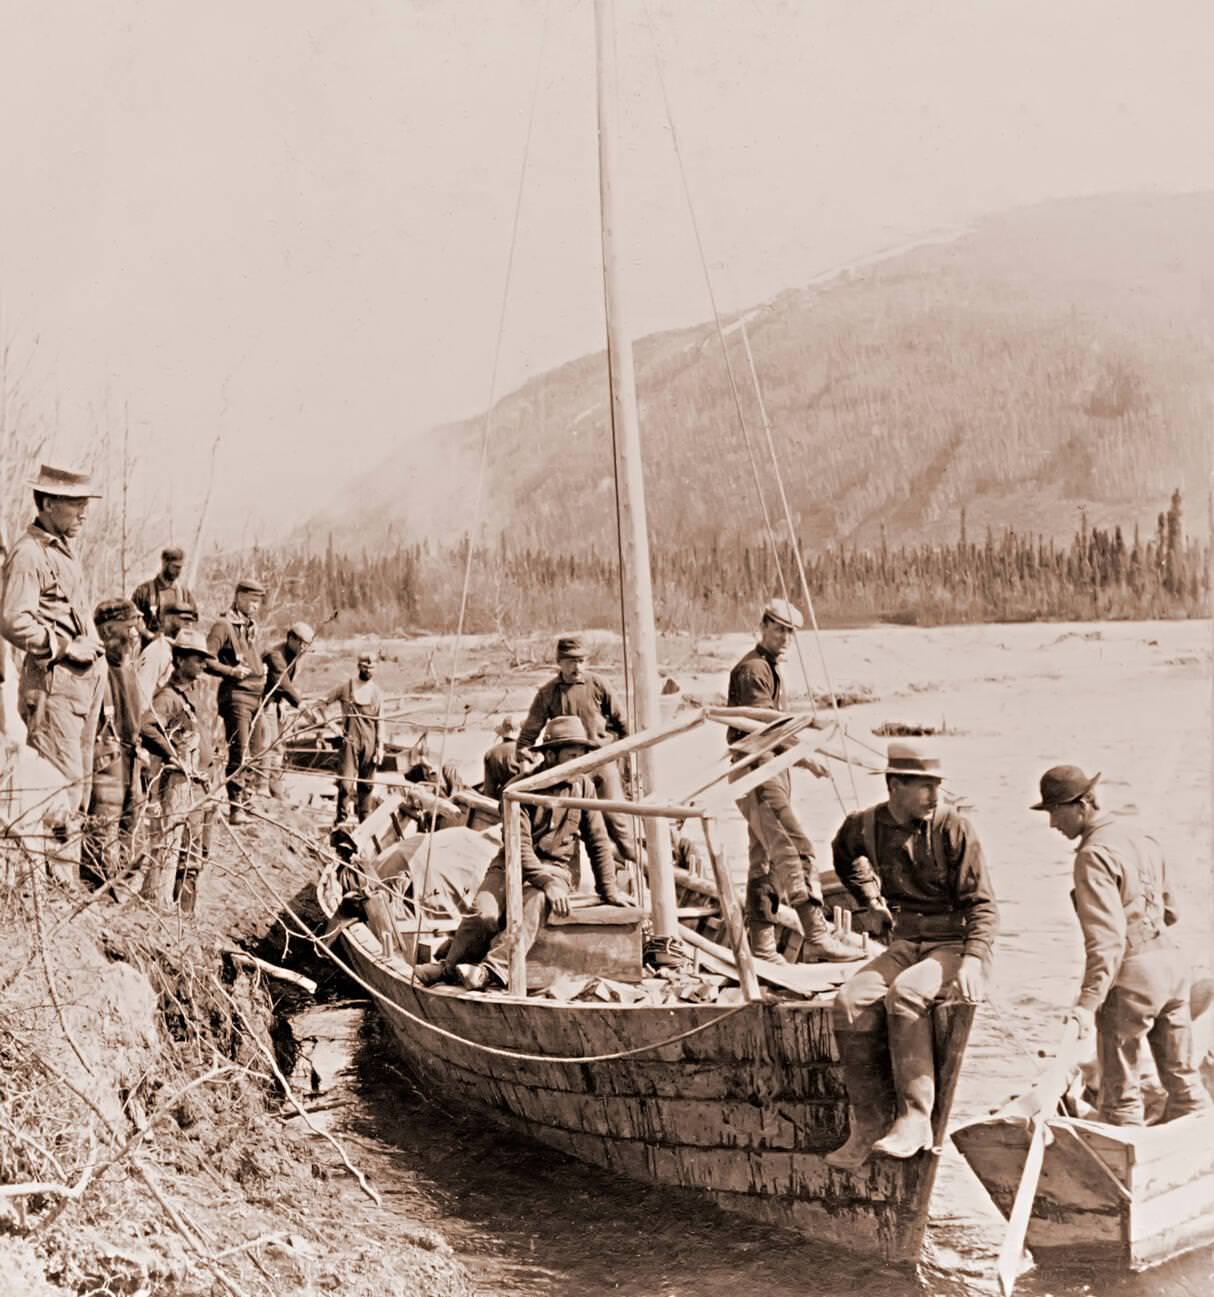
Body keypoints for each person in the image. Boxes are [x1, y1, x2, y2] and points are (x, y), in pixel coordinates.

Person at [825, 742, 998, 1169]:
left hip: (954, 944)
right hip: (905, 942)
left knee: (905, 994)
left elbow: (983, 906)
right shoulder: (863, 827)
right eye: (922, 788)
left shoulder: (954, 829)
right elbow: (844, 859)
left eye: (936, 786)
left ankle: (915, 1118)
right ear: (893, 785)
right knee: (849, 1001)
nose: (934, 797)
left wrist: (974, 959)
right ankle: (868, 1124)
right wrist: (869, 901)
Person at [1033, 765, 1210, 1126]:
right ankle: (1196, 1153)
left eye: (1054, 811)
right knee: (1183, 1083)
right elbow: (1171, 911)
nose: (1052, 823)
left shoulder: (1091, 856)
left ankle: (1122, 1168)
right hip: (1172, 968)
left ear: (1082, 805)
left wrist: (1086, 1004)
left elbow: (1107, 942)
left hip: (1132, 977)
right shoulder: (1142, 837)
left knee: (1121, 1097)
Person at [416, 716, 626, 991]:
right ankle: (449, 966)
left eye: (582, 756)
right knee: (485, 915)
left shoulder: (583, 787)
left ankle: (491, 970)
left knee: (534, 902)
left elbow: (597, 840)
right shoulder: (518, 789)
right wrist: (544, 880)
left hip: (557, 869)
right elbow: (519, 846)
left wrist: (608, 890)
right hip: (510, 864)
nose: (580, 763)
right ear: (550, 755)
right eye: (572, 756)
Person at [727, 598, 860, 964]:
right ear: (763, 626)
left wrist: (799, 761)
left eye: (790, 632)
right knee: (796, 848)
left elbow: (773, 730)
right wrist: (808, 755)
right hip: (758, 773)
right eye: (778, 629)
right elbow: (765, 726)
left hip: (769, 771)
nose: (785, 638)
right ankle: (817, 934)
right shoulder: (753, 671)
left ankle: (764, 948)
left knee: (765, 862)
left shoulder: (769, 668)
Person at [0, 464, 106, 876]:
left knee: (76, 783)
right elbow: (11, 620)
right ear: (47, 504)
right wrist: (63, 646)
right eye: (76, 505)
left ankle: (64, 879)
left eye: (86, 505)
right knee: (60, 786)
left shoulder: (61, 548)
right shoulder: (30, 553)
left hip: (80, 684)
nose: (84, 514)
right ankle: (56, 889)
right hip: (54, 681)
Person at [517, 636, 635, 863]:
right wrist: (525, 758)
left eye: (581, 661)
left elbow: (623, 724)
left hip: (600, 761)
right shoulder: (548, 693)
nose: (577, 667)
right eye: (571, 662)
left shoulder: (598, 684)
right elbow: (528, 736)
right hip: (567, 769)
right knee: (562, 824)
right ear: (559, 663)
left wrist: (624, 760)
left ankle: (640, 866)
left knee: (617, 823)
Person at [140, 629, 217, 913]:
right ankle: (182, 918)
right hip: (184, 791)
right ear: (181, 660)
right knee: (187, 858)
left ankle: (184, 914)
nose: (202, 665)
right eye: (197, 659)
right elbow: (147, 726)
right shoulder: (169, 697)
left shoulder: (188, 696)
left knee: (199, 853)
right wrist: (174, 756)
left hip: (201, 788)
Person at [84, 599, 148, 890]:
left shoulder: (129, 667)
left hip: (130, 758)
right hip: (106, 760)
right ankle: (96, 889)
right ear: (108, 630)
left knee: (129, 827)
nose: (135, 634)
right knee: (102, 828)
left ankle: (118, 892)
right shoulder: (94, 666)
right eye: (129, 627)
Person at [206, 578, 267, 824]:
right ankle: (235, 808)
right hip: (237, 696)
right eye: (252, 600)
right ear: (239, 597)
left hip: (255, 696)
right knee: (239, 752)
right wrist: (231, 672)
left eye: (258, 602)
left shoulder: (250, 626)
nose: (255, 606)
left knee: (256, 752)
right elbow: (206, 659)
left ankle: (247, 801)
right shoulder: (224, 625)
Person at [310, 652, 383, 826]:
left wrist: (380, 747)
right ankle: (341, 821)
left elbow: (381, 721)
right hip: (350, 741)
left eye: (371, 667)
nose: (368, 670)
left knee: (366, 786)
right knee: (346, 785)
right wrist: (332, 726)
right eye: (365, 667)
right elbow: (321, 704)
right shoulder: (346, 687)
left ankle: (364, 824)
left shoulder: (376, 692)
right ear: (358, 666)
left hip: (370, 743)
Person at [259, 622, 315, 799]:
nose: (304, 649)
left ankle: (275, 788)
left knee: (277, 745)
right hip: (261, 702)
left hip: (275, 702)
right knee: (266, 745)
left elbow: (287, 684)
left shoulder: (295, 656)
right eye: (301, 644)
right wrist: (300, 705)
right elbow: (282, 683)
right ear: (291, 638)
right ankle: (261, 787)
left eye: (307, 645)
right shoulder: (275, 654)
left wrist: (282, 703)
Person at [136, 596, 200, 713]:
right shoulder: (158, 652)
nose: (189, 626)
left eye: (190, 622)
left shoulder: (173, 651)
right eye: (184, 620)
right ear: (167, 621)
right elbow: (142, 698)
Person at [131, 546, 196, 636]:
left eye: (180, 568)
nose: (178, 571)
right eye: (175, 567)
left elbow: (193, 620)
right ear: (164, 563)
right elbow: (132, 619)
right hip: (150, 646)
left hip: (178, 647)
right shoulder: (143, 591)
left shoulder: (185, 594)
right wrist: (148, 635)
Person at [481, 717, 521, 802]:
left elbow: (489, 791)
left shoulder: (491, 754)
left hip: (505, 801)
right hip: (526, 799)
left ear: (502, 733)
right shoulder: (528, 751)